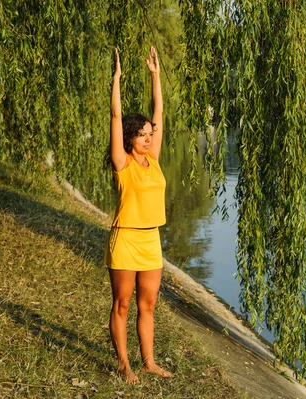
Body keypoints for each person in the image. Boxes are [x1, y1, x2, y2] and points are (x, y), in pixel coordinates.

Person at [104, 46, 173, 384]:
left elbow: (159, 112)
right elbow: (115, 117)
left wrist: (155, 76)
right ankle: (124, 364)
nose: (148, 139)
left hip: (151, 240)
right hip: (126, 238)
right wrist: (116, 79)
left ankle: (149, 361)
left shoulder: (154, 160)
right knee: (123, 304)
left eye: (150, 134)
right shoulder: (123, 163)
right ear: (129, 138)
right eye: (142, 135)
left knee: (148, 305)